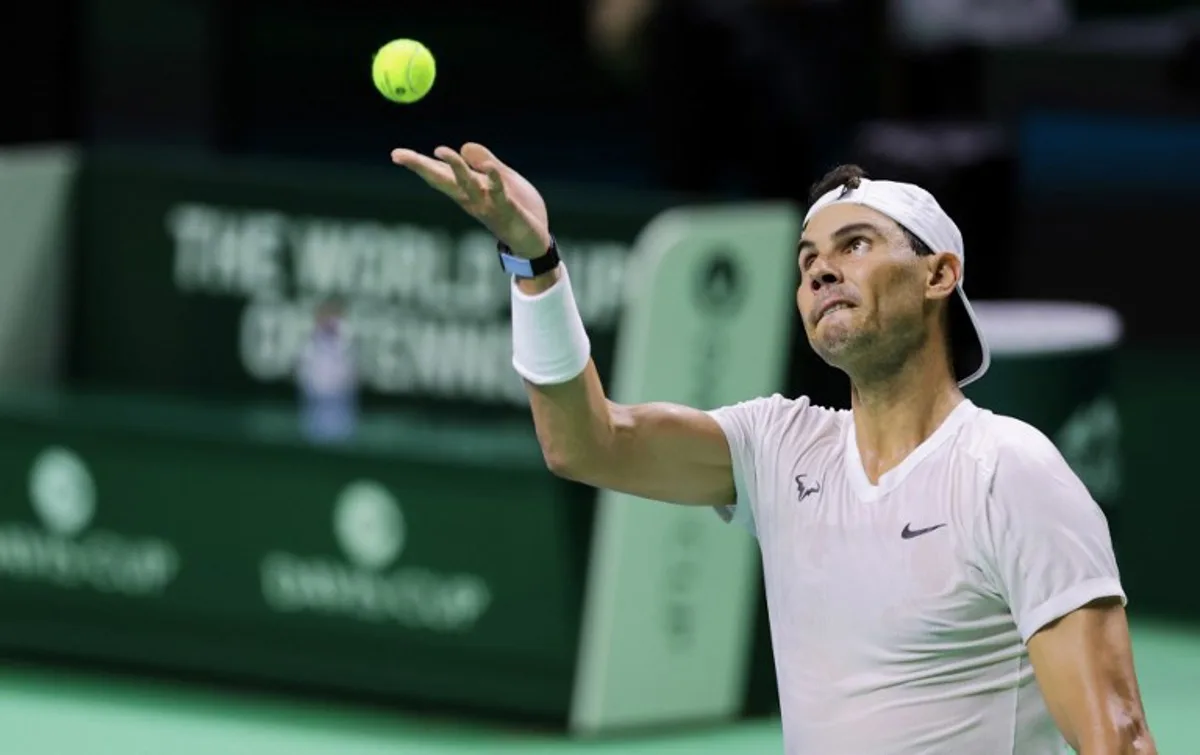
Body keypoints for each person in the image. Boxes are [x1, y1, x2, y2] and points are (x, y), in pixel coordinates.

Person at [390, 142, 1157, 754]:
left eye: (855, 244)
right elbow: (587, 443)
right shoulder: (781, 446)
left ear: (939, 273)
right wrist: (534, 262)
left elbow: (1115, 737)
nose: (821, 267)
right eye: (807, 259)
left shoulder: (1007, 470)